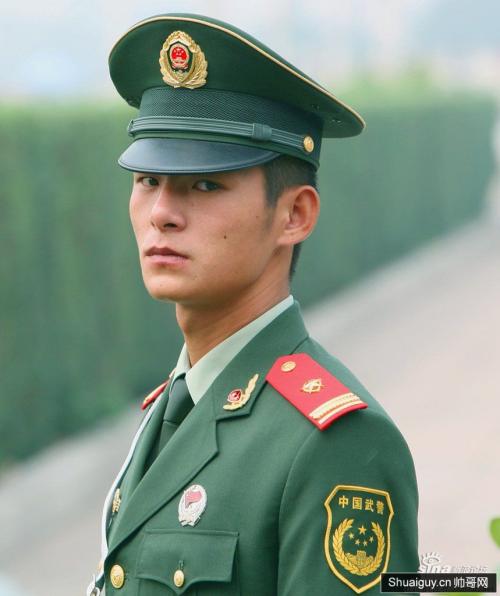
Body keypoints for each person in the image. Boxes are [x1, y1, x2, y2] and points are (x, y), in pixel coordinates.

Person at [87, 13, 418, 596]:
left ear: (295, 215)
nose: (161, 213)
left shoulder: (337, 444)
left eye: (205, 184)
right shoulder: (177, 404)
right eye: (147, 180)